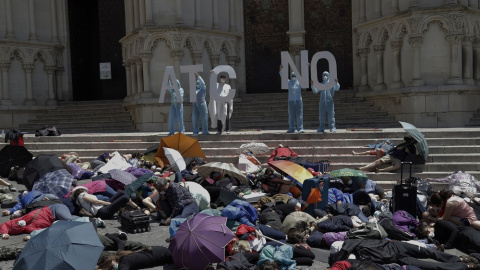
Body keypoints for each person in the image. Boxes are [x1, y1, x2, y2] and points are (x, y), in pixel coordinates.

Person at [96, 246, 173, 270]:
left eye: (111, 267)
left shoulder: (124, 261)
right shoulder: (123, 257)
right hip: (161, 252)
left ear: (113, 260)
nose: (113, 269)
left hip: (166, 256)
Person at [279, 65, 304, 133]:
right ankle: (291, 128)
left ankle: (300, 128)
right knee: (291, 115)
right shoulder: (289, 82)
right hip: (291, 101)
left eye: (294, 76)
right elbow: (283, 78)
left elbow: (305, 76)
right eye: (292, 76)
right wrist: (281, 70)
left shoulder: (299, 82)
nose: (293, 77)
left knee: (299, 115)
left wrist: (307, 68)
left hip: (298, 100)